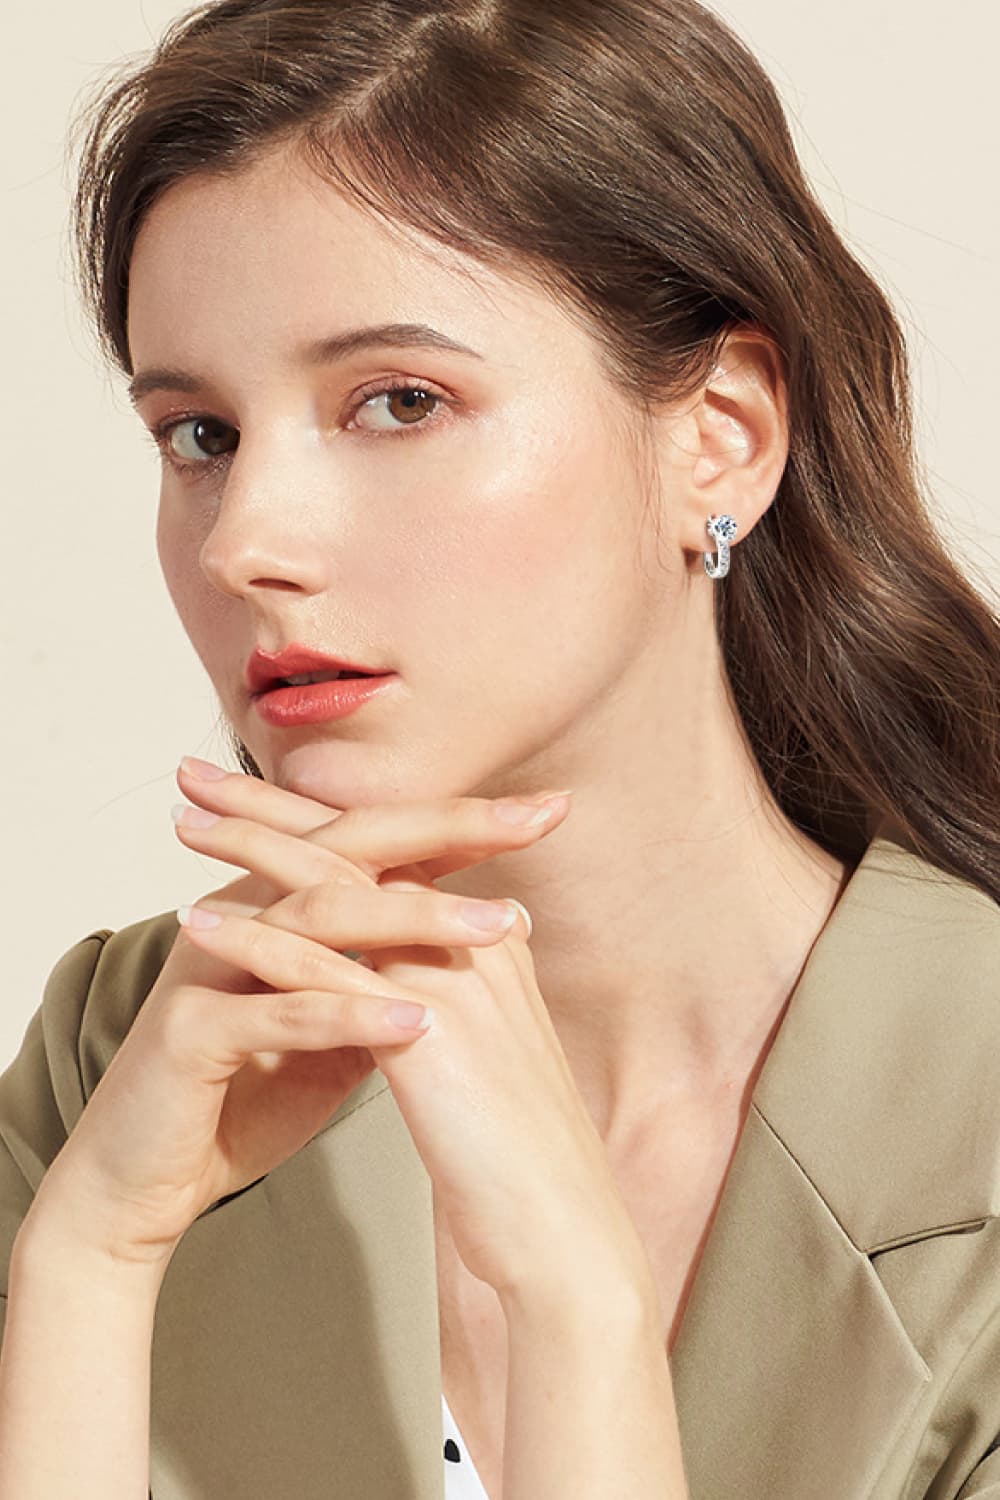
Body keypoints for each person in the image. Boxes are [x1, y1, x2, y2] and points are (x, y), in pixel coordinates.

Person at [1, 1, 998, 1496]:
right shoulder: (122, 1062)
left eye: (400, 403)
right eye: (199, 433)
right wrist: (84, 1262)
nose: (247, 541)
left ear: (720, 437)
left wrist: (579, 1315)